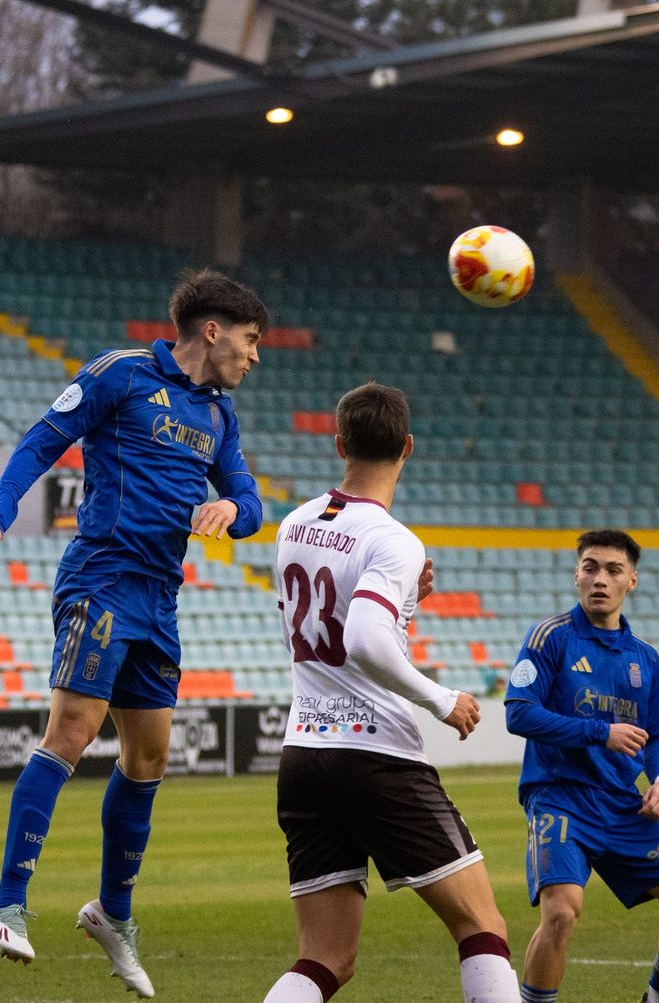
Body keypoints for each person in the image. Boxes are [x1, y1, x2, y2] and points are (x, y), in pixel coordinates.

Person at [0, 269, 266, 995]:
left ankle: (112, 915)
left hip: (160, 598)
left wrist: (234, 513)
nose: (256, 356)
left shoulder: (219, 414)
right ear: (213, 330)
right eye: (252, 341)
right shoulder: (120, 374)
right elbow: (44, 439)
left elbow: (251, 498)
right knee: (70, 731)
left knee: (149, 760)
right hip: (100, 577)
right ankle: (7, 904)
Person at [261, 382, 520, 1003]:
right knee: (482, 927)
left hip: (304, 754)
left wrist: (405, 600)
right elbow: (366, 641)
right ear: (407, 448)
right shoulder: (394, 540)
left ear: (339, 443)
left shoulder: (295, 524)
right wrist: (442, 699)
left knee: (326, 959)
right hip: (376, 755)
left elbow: (328, 620)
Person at [505, 530, 659, 1003]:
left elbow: (655, 734)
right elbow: (518, 712)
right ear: (577, 574)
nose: (600, 579)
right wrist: (600, 732)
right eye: (591, 567)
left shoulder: (645, 658)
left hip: (623, 805)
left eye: (613, 570)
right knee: (561, 912)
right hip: (560, 796)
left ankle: (658, 1001)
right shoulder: (550, 637)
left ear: (631, 581)